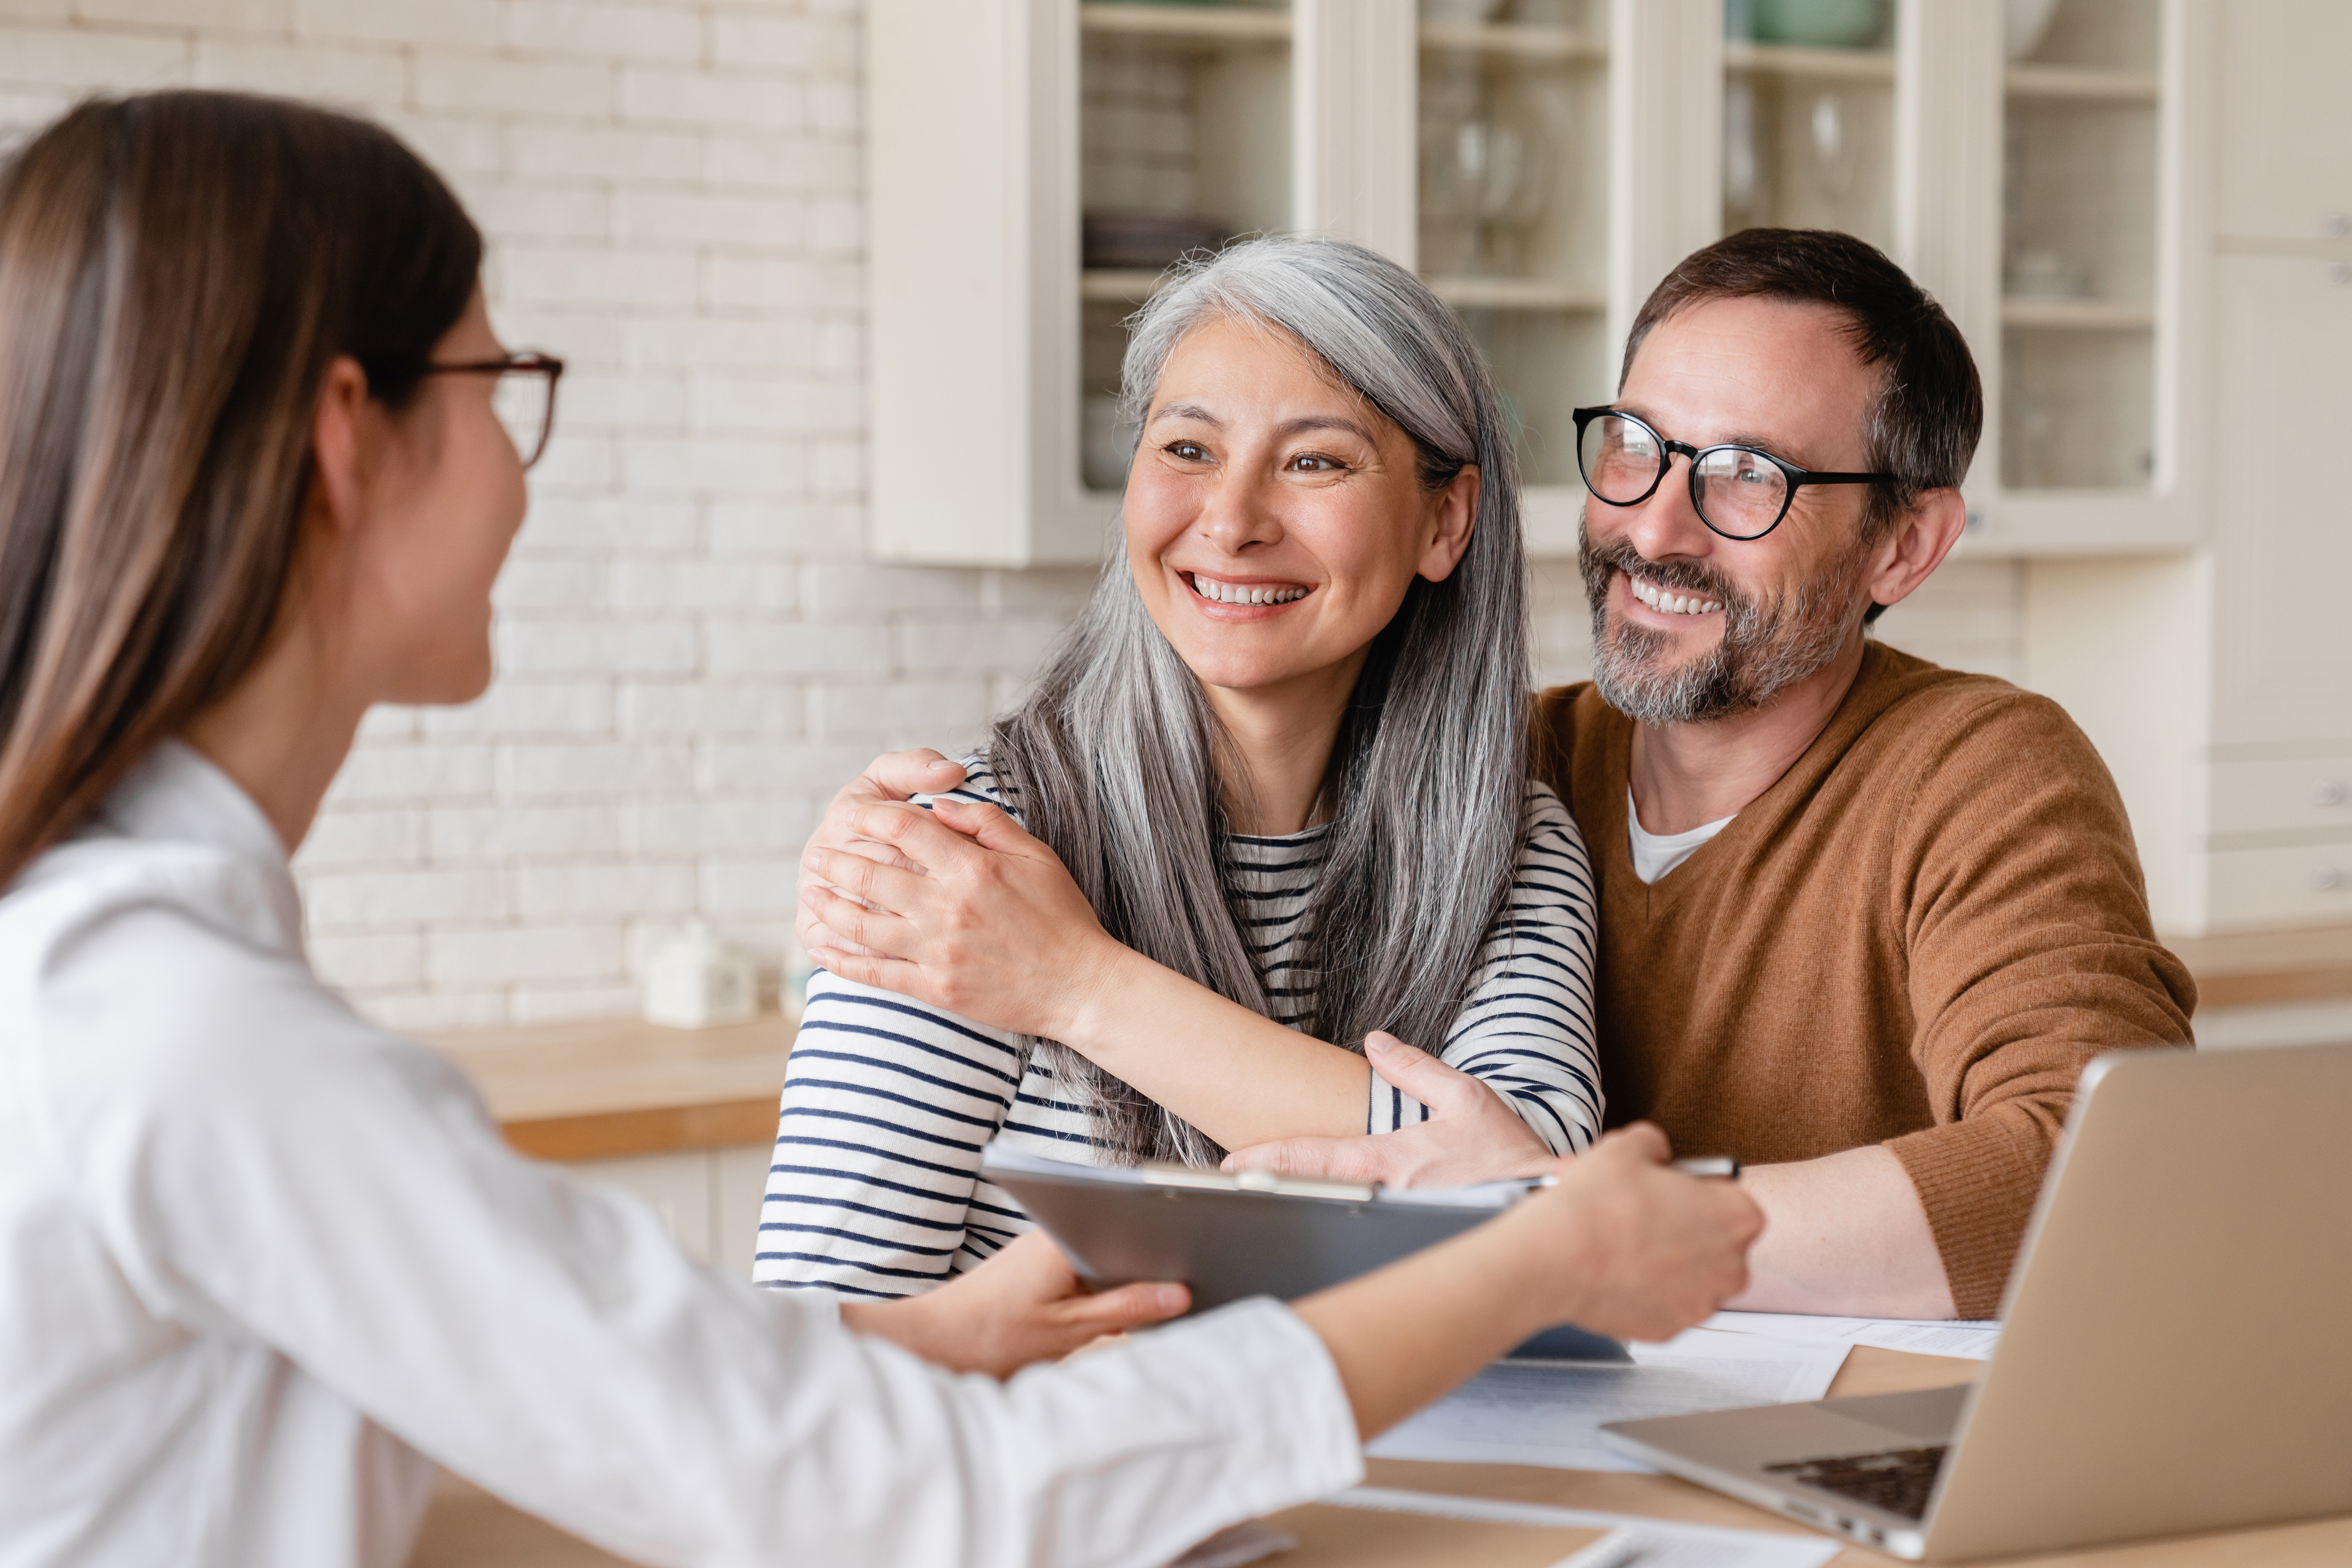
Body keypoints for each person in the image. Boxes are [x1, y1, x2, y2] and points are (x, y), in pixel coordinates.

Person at [0, 93, 1764, 1568]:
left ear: (1444, 518)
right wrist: (1537, 1247)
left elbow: (480, 1453)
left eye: (1313, 460)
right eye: (496, 384)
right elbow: (890, 1498)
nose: (527, 468)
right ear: (343, 442)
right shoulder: (192, 1038)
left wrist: (893, 1344)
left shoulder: (137, 993)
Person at [798, 229, 2195, 1324]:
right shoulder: (1517, 773)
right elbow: (814, 1334)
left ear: (1904, 546)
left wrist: (1567, 1216)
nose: (1656, 525)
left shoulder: (1517, 818)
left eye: (1748, 477)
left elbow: (2105, 1175)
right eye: (1637, 449)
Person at [768, 236, 1603, 1298]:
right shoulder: (969, 864)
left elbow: (1536, 1199)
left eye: (1314, 461)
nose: (1231, 520)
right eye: (1187, 449)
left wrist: (1077, 983)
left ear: (1445, 520)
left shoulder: (1508, 843)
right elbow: (817, 1341)